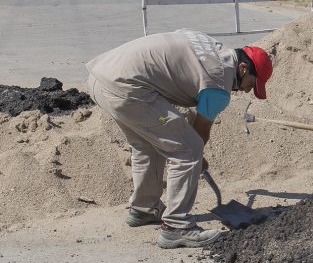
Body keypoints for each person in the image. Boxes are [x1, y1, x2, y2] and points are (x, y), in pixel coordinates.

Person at [86, 30, 272, 248]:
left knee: (147, 143)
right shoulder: (219, 86)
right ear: (243, 68)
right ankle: (176, 227)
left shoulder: (208, 44)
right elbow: (199, 133)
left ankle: (144, 209)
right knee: (188, 150)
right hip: (128, 89)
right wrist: (197, 159)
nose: (248, 91)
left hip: (100, 78)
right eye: (252, 84)